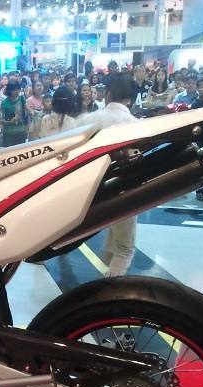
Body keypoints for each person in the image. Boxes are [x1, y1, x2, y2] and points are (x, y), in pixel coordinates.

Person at [78, 74, 138, 278]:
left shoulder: (90, 119)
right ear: (130, 99)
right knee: (125, 248)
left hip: (93, 189)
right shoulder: (135, 124)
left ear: (108, 94)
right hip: (126, 189)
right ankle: (111, 286)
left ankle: (106, 278)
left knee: (113, 238)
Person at [0, 82, 28, 147]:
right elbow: (1, 119)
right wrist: (10, 122)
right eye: (14, 90)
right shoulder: (4, 103)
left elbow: (27, 110)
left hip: (21, 131)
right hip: (8, 132)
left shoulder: (22, 99)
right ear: (9, 90)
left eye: (18, 89)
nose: (16, 91)